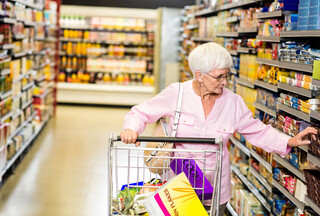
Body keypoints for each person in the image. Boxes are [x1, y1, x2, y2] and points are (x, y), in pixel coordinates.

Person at [120, 42, 317, 215]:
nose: (225, 81)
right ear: (199, 76)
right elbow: (140, 112)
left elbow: (258, 131)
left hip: (214, 190)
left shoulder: (233, 102)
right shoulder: (177, 94)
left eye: (227, 75)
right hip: (177, 187)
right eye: (219, 76)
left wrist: (289, 140)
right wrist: (131, 129)